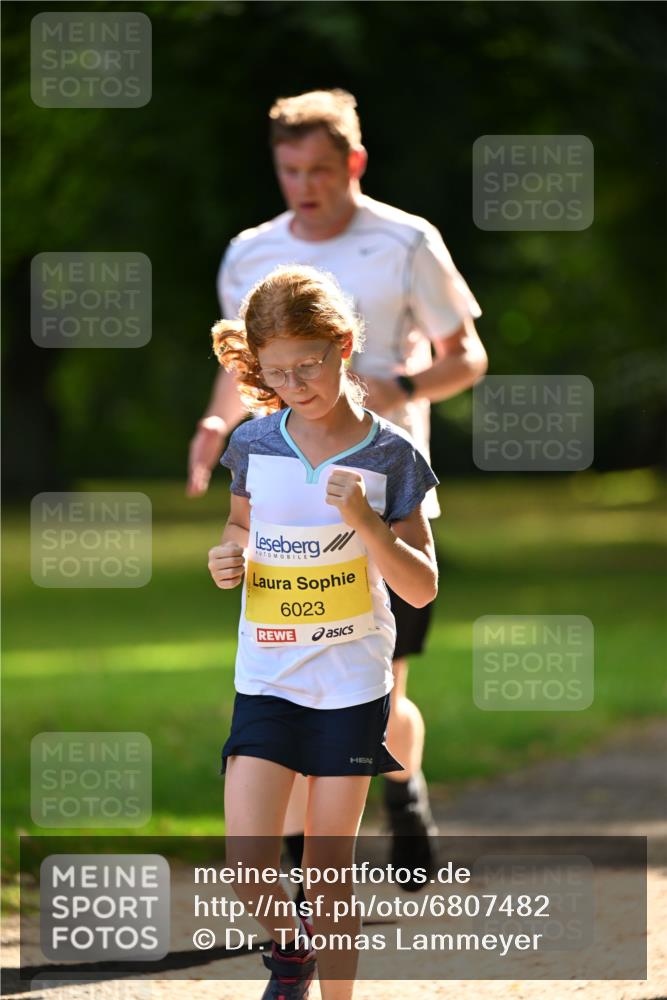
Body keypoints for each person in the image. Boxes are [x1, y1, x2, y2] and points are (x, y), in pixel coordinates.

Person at [190, 88, 487, 882]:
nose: (305, 185)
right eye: (290, 170)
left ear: (352, 163)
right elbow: (247, 372)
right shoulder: (250, 251)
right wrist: (218, 431)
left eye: (321, 168)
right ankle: (295, 874)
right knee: (292, 676)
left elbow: (467, 353)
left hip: (381, 486)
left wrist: (401, 391)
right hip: (290, 493)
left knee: (379, 686)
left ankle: (403, 792)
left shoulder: (403, 240)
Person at [207, 264, 439, 1000]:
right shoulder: (253, 443)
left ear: (343, 345)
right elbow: (241, 524)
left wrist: (366, 523)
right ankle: (291, 956)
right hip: (269, 675)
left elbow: (420, 585)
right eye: (276, 372)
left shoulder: (391, 455)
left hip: (348, 682)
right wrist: (228, 555)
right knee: (247, 862)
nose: (294, 384)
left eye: (307, 364)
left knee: (325, 870)